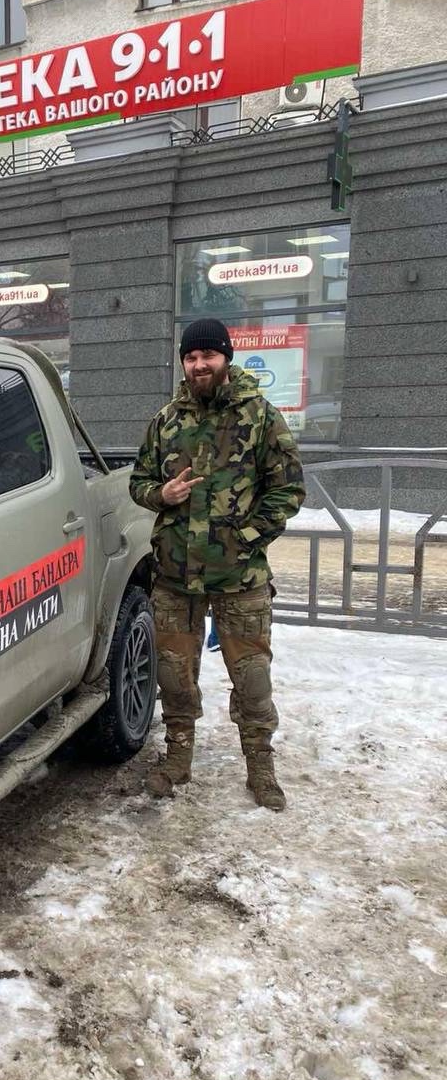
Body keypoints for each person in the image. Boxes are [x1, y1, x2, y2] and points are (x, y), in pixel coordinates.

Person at [129, 318, 306, 810]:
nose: (199, 364)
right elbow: (139, 480)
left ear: (226, 357)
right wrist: (161, 494)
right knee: (173, 673)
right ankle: (177, 759)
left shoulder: (260, 416)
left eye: (208, 355)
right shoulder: (166, 420)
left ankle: (261, 768)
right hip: (175, 576)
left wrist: (247, 538)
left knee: (251, 677)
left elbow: (289, 489)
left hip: (239, 577)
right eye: (191, 357)